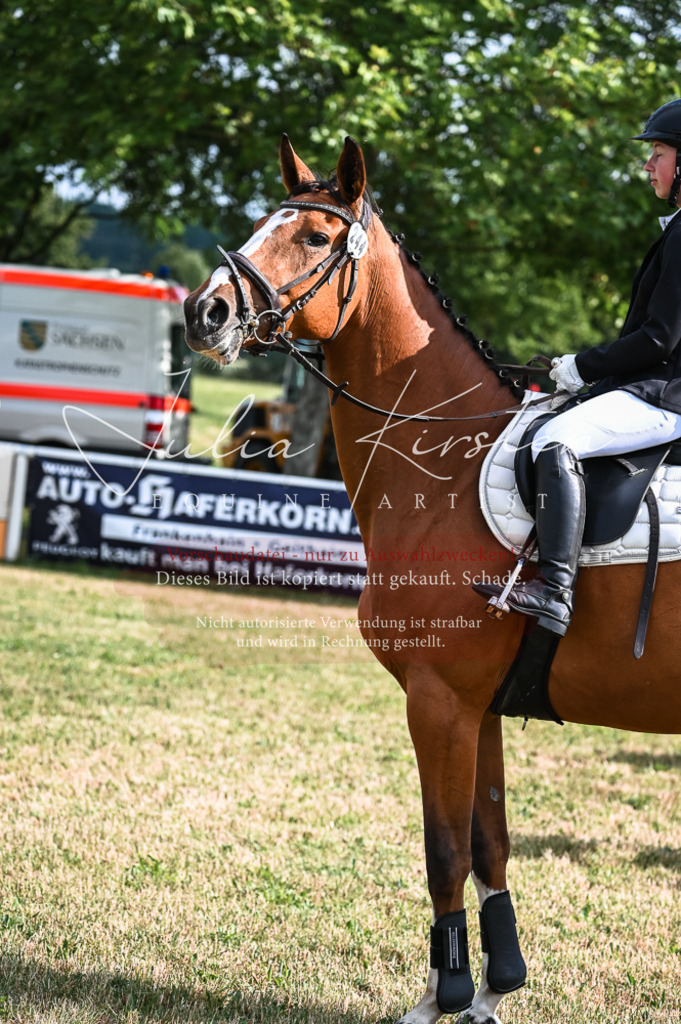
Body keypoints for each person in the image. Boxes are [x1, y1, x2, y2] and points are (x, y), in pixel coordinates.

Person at [474, 99, 681, 636]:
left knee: (556, 440)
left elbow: (660, 337)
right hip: (653, 387)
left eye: (657, 153)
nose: (647, 165)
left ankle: (554, 590)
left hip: (667, 396)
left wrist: (583, 367)